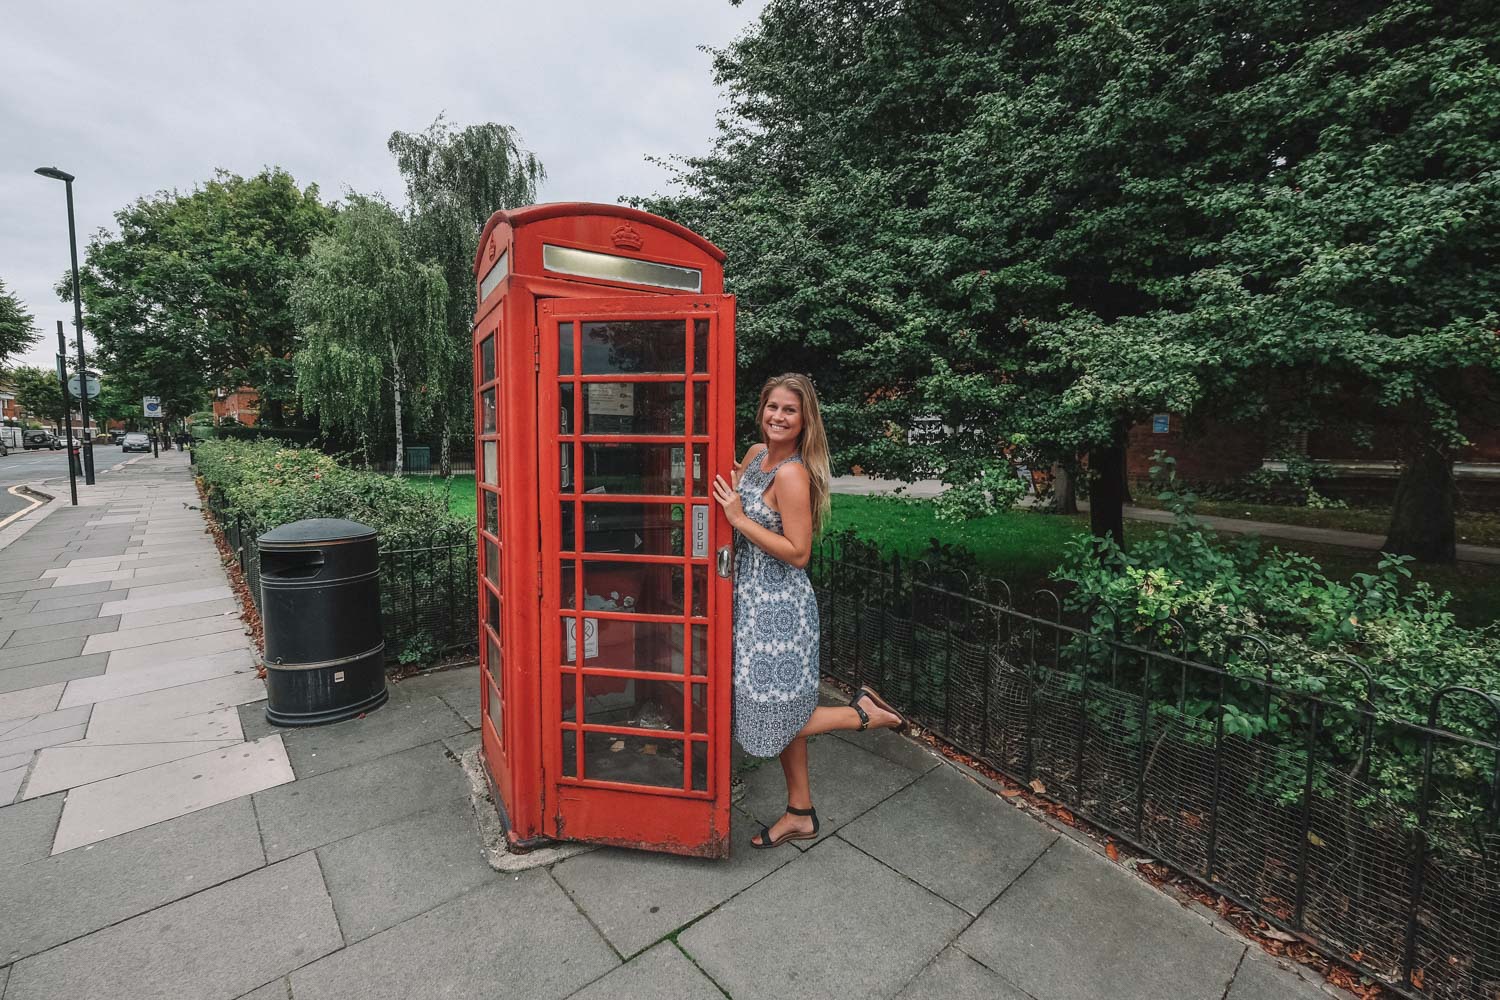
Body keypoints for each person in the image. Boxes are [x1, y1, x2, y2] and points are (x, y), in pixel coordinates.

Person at [711, 373, 906, 849]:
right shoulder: (757, 457)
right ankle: (800, 811)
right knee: (778, 707)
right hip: (750, 602)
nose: (778, 417)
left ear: (804, 421)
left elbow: (799, 552)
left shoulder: (793, 474)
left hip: (779, 612)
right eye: (772, 407)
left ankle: (861, 713)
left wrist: (738, 517)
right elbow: (735, 492)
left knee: (771, 712)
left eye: (789, 411)